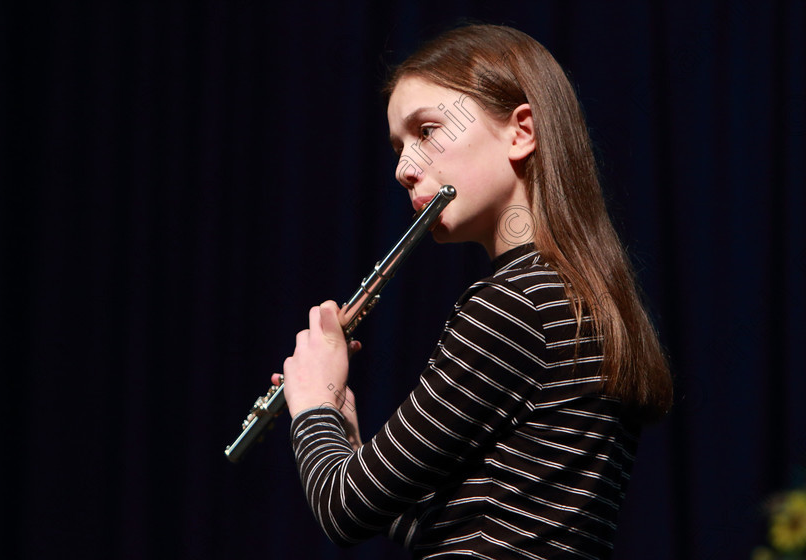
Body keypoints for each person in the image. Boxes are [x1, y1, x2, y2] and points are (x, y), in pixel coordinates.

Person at [272, 24, 673, 559]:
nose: (403, 169)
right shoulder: (570, 296)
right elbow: (465, 526)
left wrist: (313, 405)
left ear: (520, 131)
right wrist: (347, 443)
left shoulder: (515, 304)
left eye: (428, 131)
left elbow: (343, 509)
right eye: (398, 147)